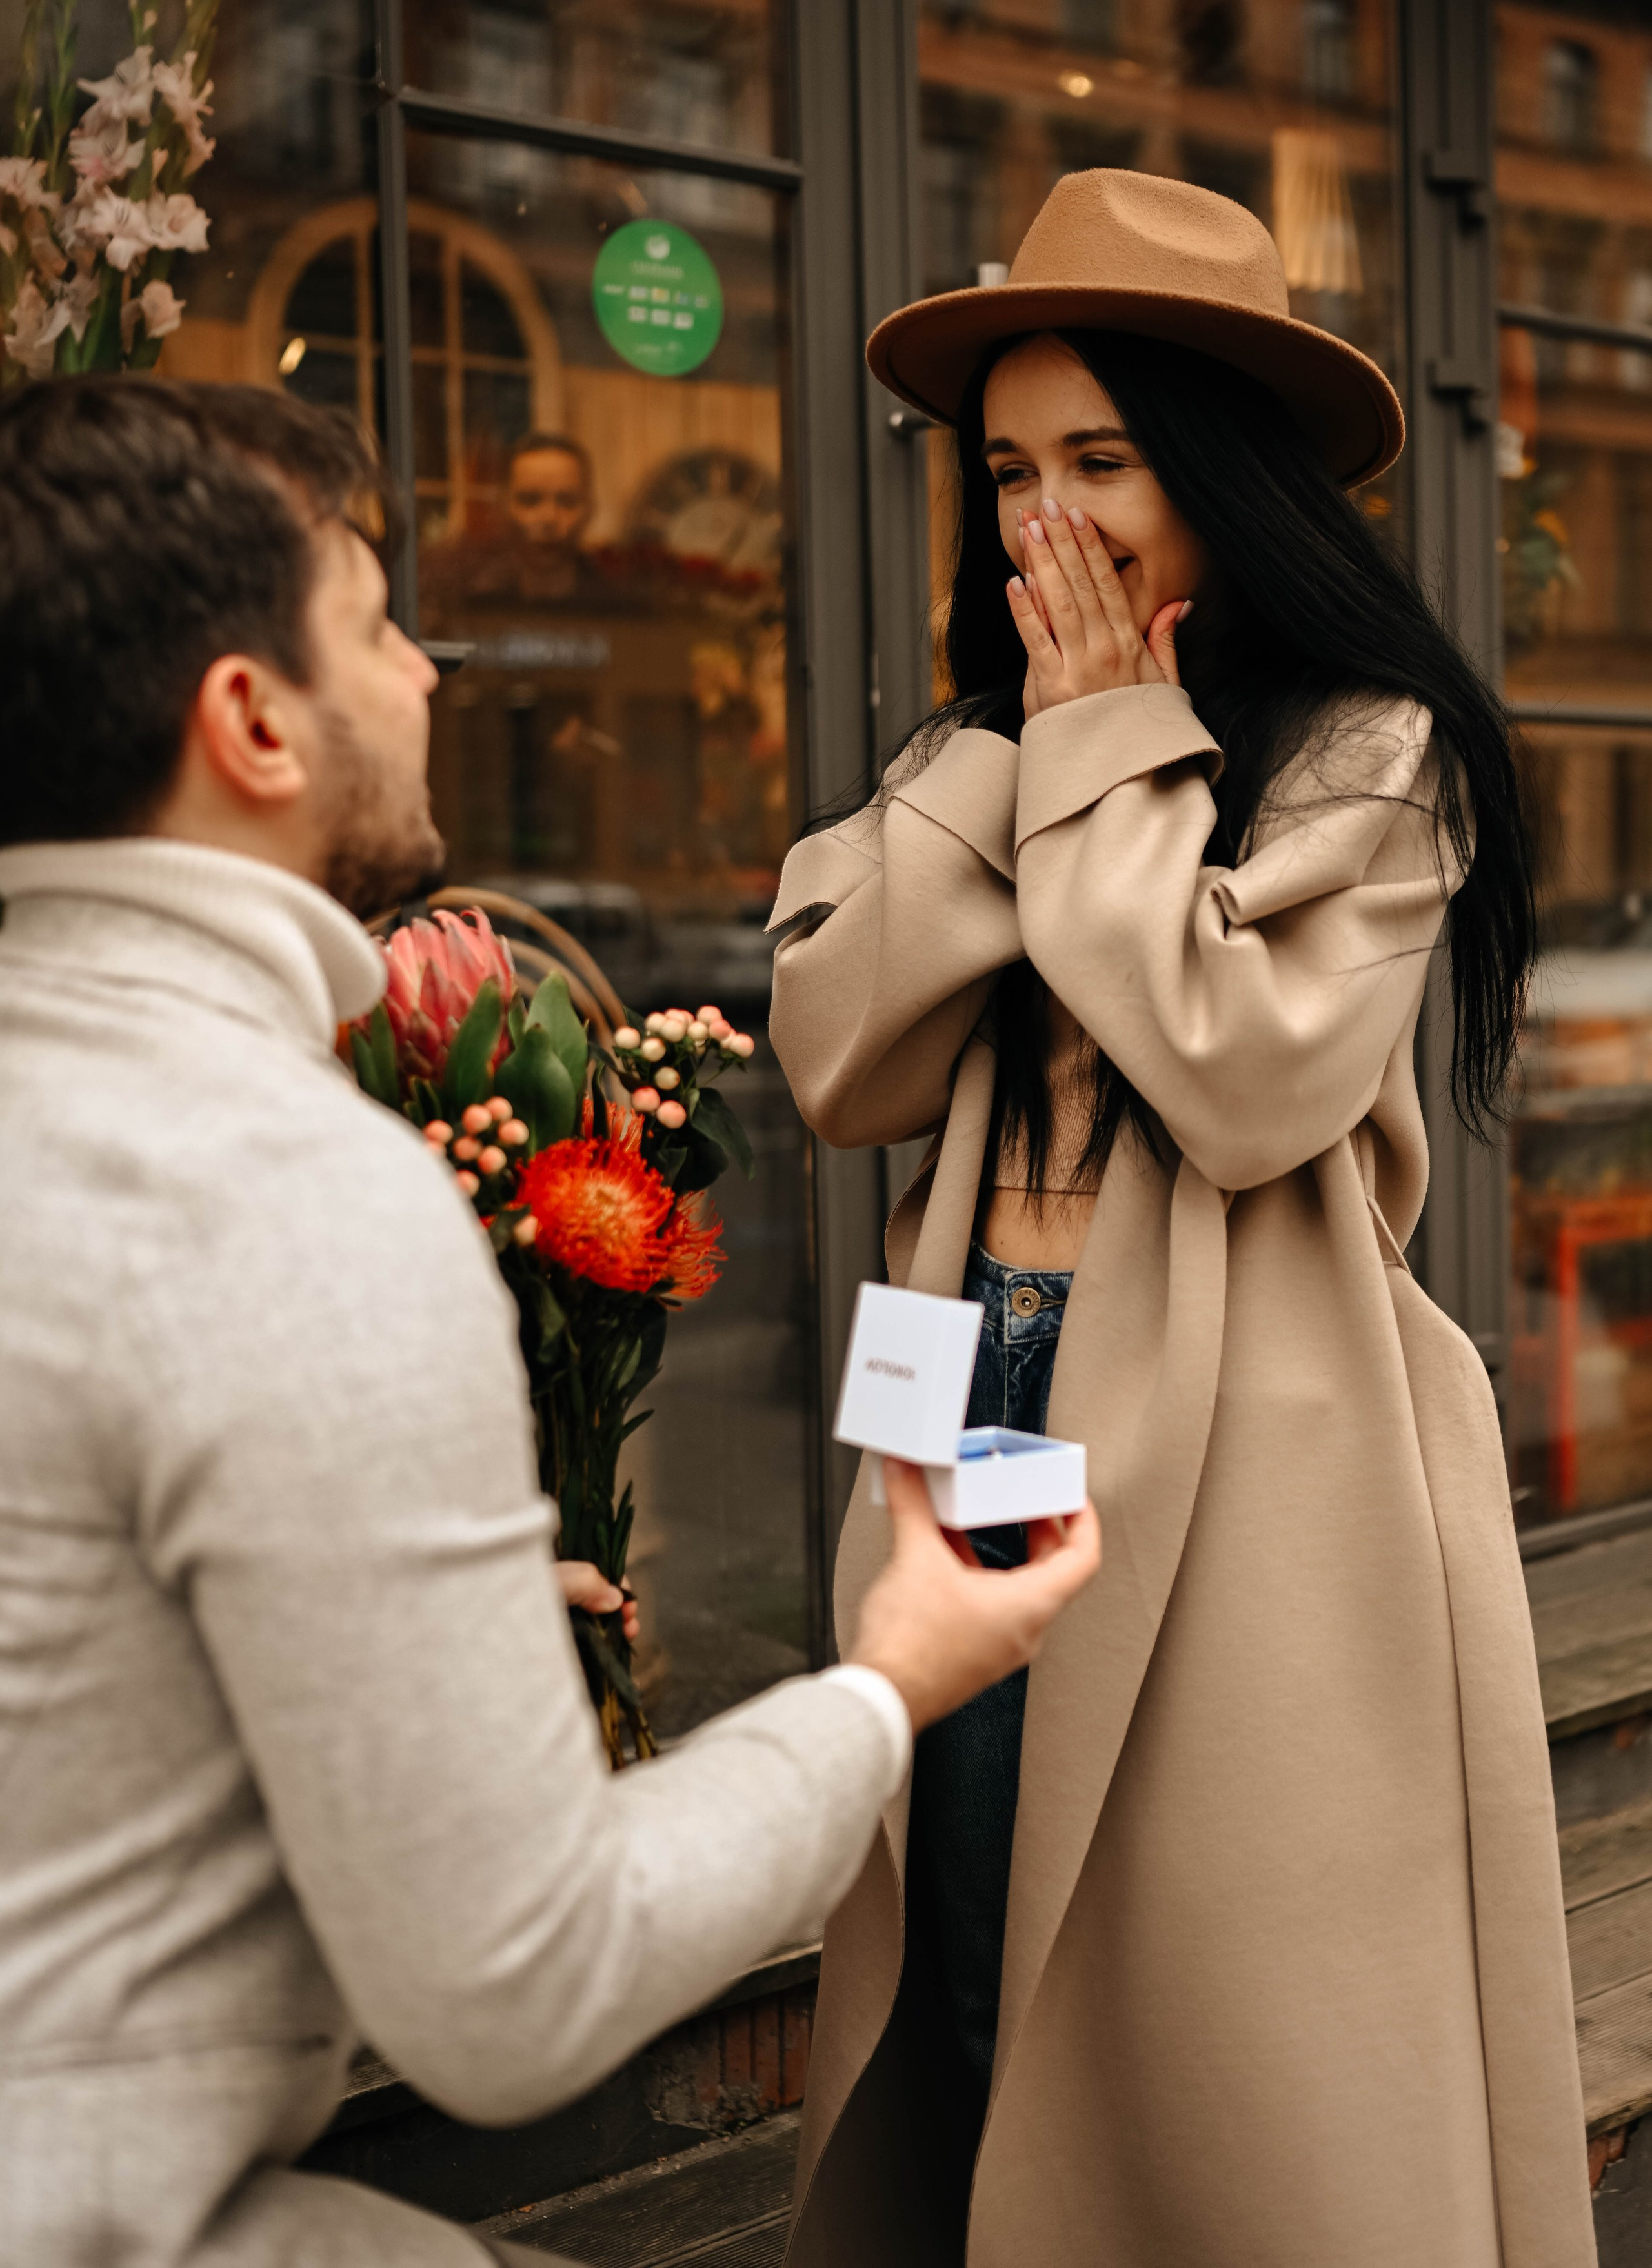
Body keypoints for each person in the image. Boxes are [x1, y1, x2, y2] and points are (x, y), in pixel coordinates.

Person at [0, 376, 1100, 2268]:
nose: (431, 666)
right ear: (252, 721)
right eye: (372, 619)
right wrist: (890, 1679)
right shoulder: (288, 1195)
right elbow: (514, 1985)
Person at [769, 170, 1594, 2268]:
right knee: (965, 1942)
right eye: (1012, 467)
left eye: (1106, 463)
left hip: (1258, 1456)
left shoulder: (1375, 755)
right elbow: (840, 1049)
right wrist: (1027, 755)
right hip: (985, 1385)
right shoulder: (989, 744)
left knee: (1214, 2019)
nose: (1050, 518)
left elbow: (1240, 1074)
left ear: (1230, 478)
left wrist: (1092, 751)